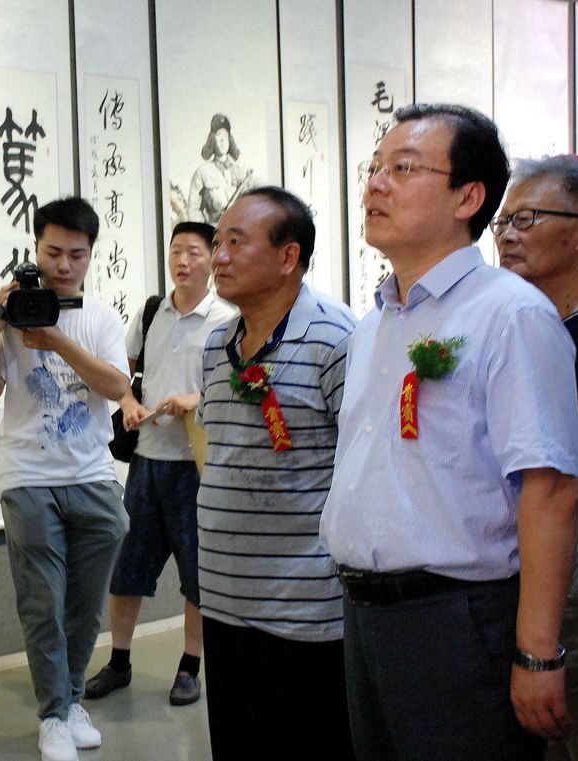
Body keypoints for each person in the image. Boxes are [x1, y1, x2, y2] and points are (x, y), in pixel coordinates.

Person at [320, 104, 578, 761]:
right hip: (364, 613)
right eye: (375, 167)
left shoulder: (510, 314)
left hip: (458, 619)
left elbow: (550, 490)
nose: (376, 184)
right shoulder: (374, 325)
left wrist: (537, 651)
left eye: (404, 168)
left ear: (468, 197)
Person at [196, 187, 356, 759]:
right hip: (223, 596)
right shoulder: (217, 344)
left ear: (288, 257)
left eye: (236, 242)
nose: (218, 257)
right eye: (218, 242)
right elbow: (218, 449)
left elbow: (359, 468)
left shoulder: (336, 339)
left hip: (305, 609)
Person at [0, 197, 130, 761]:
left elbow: (117, 387)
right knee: (42, 604)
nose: (63, 265)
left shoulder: (102, 318)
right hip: (28, 478)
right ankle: (54, 716)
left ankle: (72, 699)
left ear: (91, 255)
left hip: (93, 475)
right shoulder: (13, 317)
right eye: (53, 252)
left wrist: (58, 339)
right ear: (35, 249)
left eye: (76, 254)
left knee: (84, 607)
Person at [83, 221, 235, 707]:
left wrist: (196, 399)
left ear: (212, 259)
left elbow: (238, 387)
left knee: (198, 576)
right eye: (176, 252)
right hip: (146, 462)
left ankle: (190, 667)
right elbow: (120, 375)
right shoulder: (151, 312)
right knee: (127, 568)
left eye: (194, 252)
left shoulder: (227, 320)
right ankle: (119, 662)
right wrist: (128, 402)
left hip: (196, 466)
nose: (183, 261)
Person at [496, 155, 578, 761]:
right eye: (503, 221)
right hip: (515, 564)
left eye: (527, 219)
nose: (507, 235)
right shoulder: (509, 324)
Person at [186, 114, 254, 225]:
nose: (223, 140)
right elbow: (193, 209)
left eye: (225, 136)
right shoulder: (202, 172)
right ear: (212, 140)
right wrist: (206, 230)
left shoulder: (240, 171)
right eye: (218, 135)